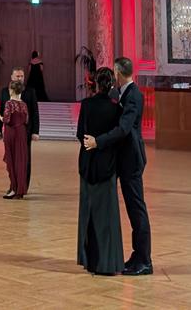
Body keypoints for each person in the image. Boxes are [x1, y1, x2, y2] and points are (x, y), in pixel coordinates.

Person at [82, 57, 150, 276]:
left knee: (136, 209)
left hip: (131, 160)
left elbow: (123, 129)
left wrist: (98, 142)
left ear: (118, 73)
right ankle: (137, 255)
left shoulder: (134, 96)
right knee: (132, 209)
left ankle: (144, 260)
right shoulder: (122, 93)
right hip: (122, 158)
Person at [76, 67, 123, 275]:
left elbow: (80, 133)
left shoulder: (86, 105)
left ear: (94, 83)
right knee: (107, 215)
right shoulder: (116, 108)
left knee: (88, 212)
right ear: (111, 84)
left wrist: (90, 143)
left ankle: (90, 261)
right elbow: (117, 137)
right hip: (107, 164)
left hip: (88, 163)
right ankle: (108, 263)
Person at [0, 66, 40, 188]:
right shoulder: (5, 92)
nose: (20, 78)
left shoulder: (30, 91)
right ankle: (14, 185)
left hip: (25, 132)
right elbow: (1, 110)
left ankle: (23, 186)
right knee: (11, 159)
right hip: (9, 132)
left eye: (22, 76)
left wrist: (35, 131)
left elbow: (35, 113)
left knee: (25, 159)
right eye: (17, 76)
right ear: (12, 77)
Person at [0, 81, 30, 199]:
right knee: (20, 161)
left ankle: (13, 188)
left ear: (11, 90)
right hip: (22, 133)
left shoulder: (9, 103)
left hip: (11, 133)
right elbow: (26, 120)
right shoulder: (24, 104)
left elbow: (7, 120)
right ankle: (20, 190)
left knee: (11, 160)